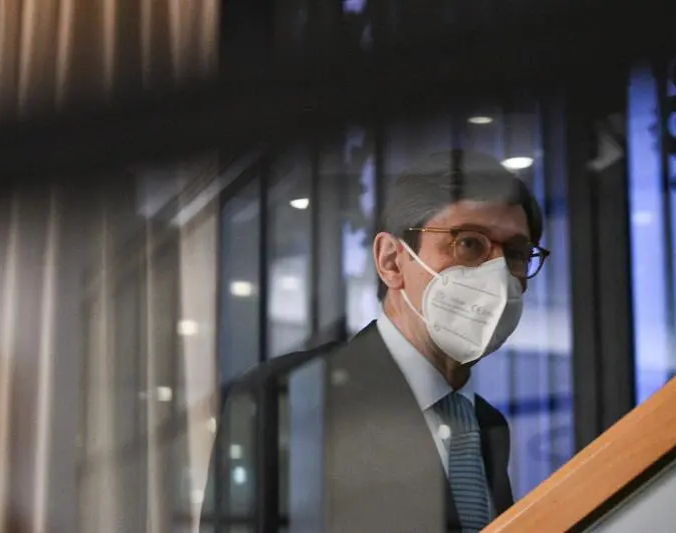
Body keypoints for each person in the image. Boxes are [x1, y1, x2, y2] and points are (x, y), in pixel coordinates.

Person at [201, 149, 548, 533]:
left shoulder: (486, 424)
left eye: (515, 254)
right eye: (468, 244)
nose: (497, 275)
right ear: (391, 260)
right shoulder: (293, 394)